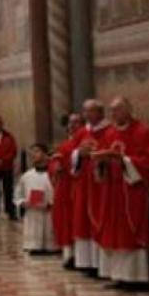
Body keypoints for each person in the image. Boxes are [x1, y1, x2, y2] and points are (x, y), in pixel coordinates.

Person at [93, 98, 149, 290]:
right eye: (111, 111)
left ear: (128, 110)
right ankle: (118, 276)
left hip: (134, 191)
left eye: (117, 110)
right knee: (114, 234)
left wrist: (124, 160)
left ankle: (136, 278)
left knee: (130, 234)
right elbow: (101, 156)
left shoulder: (142, 131)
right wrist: (101, 162)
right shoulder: (109, 133)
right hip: (113, 191)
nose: (113, 114)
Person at [69, 100, 109, 276]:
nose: (87, 115)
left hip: (101, 185)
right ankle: (87, 263)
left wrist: (98, 157)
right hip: (84, 183)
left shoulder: (109, 131)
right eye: (85, 111)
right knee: (83, 220)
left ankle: (101, 265)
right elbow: (72, 153)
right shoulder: (82, 132)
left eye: (91, 111)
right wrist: (79, 153)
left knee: (100, 221)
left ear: (100, 112)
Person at [50, 114, 84, 268]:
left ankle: (81, 257)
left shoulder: (86, 142)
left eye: (76, 122)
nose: (72, 126)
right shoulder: (64, 145)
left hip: (80, 186)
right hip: (65, 188)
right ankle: (68, 254)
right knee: (65, 220)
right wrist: (55, 167)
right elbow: (55, 161)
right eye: (70, 123)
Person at [16, 144, 57, 255]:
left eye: (37, 151)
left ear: (46, 155)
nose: (33, 154)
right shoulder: (26, 176)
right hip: (32, 214)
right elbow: (18, 194)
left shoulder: (54, 174)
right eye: (32, 152)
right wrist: (23, 202)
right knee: (34, 245)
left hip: (50, 212)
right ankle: (34, 245)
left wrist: (51, 203)